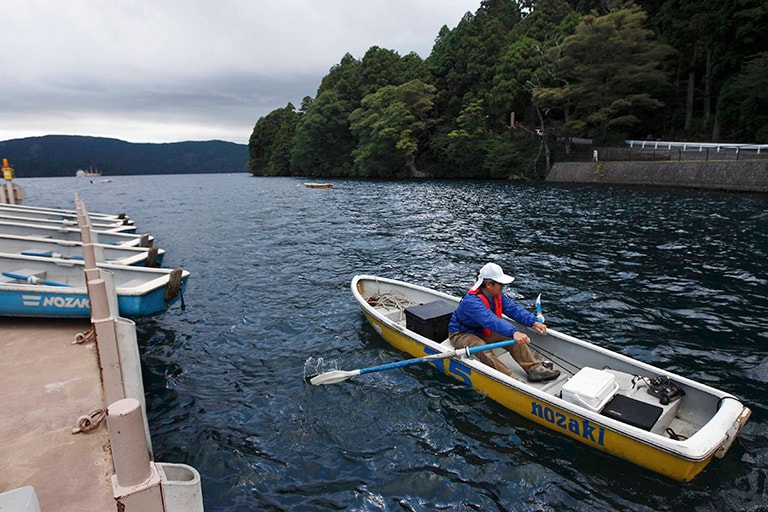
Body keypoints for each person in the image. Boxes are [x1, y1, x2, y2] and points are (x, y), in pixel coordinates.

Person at [448, 263, 560, 382]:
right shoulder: (471, 302)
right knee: (481, 347)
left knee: (513, 338)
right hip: (461, 334)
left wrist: (533, 322)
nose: (503, 287)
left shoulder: (496, 295)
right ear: (489, 284)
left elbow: (514, 309)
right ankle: (509, 379)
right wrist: (514, 333)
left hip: (482, 331)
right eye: (500, 284)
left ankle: (534, 369)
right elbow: (491, 320)